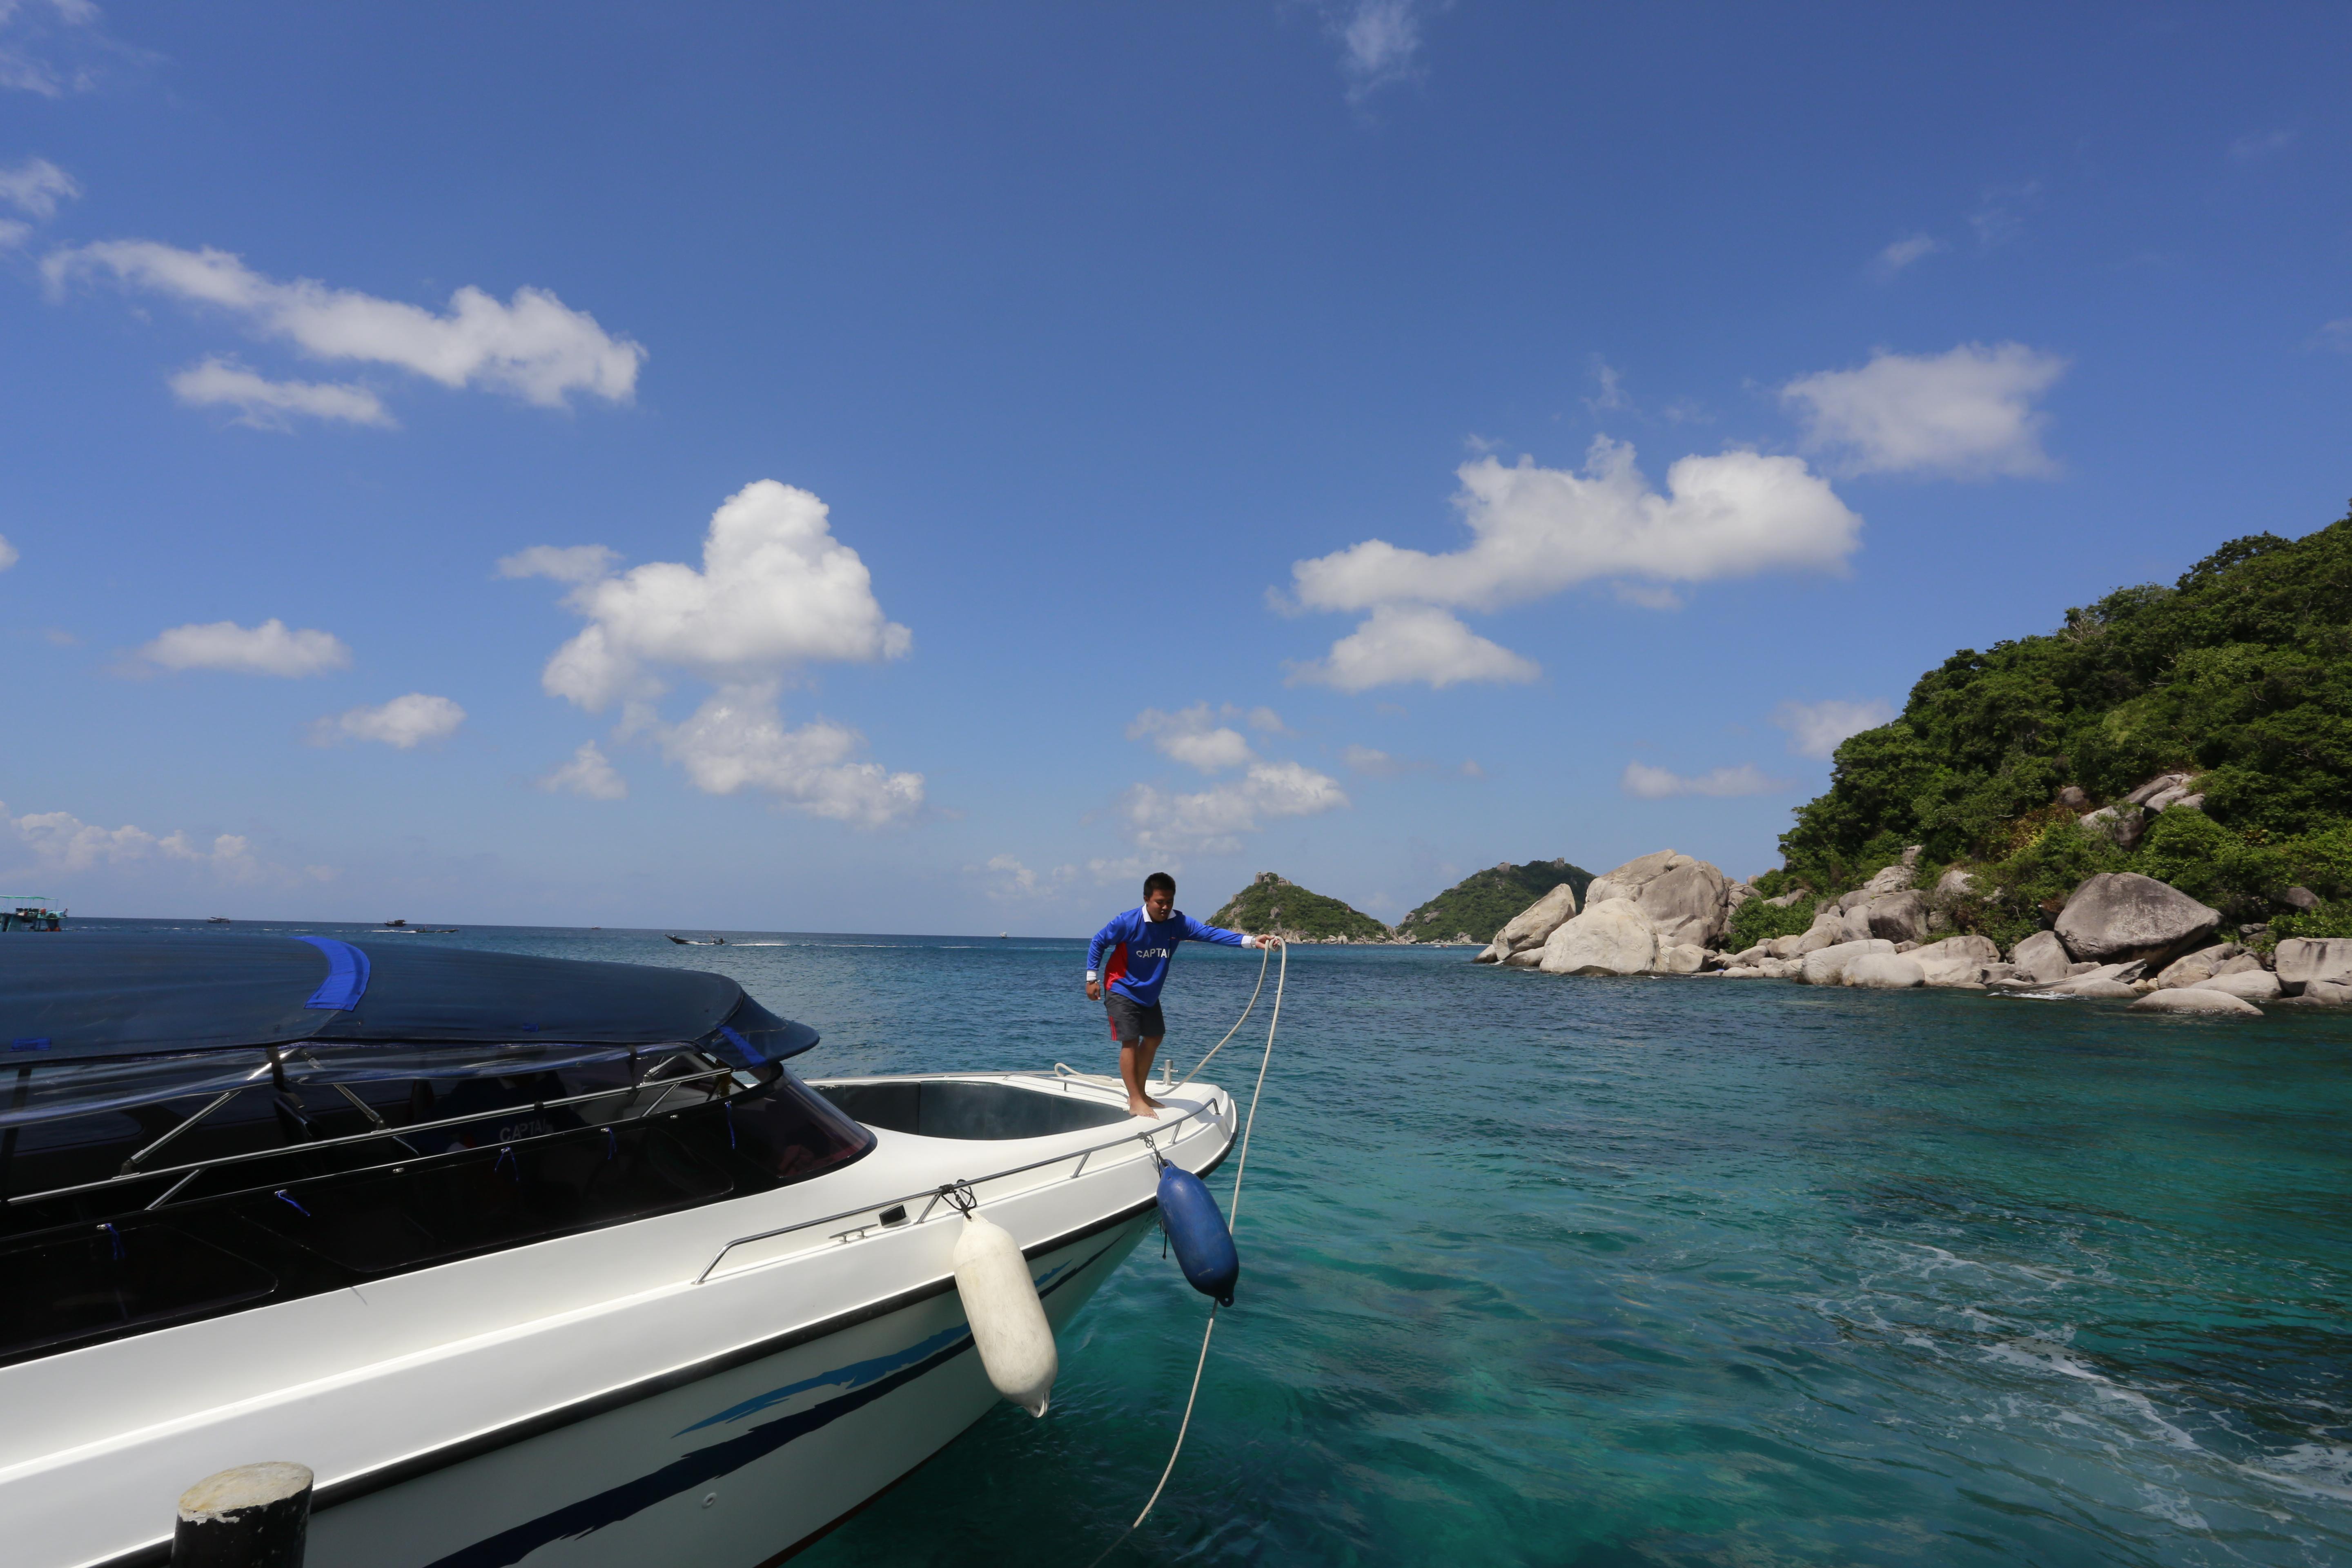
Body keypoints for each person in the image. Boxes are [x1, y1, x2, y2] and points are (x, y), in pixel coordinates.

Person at [1086, 872, 1283, 1118]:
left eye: (1170, 902)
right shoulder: (1127, 922)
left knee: (1154, 1037)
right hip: (1121, 987)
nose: (1165, 907)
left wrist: (1254, 941)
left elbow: (1211, 934)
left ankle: (1141, 1092)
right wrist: (1091, 978)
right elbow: (1099, 941)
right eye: (1160, 902)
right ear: (1147, 899)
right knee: (1130, 1040)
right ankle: (1135, 1099)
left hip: (1148, 992)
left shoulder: (1178, 923)